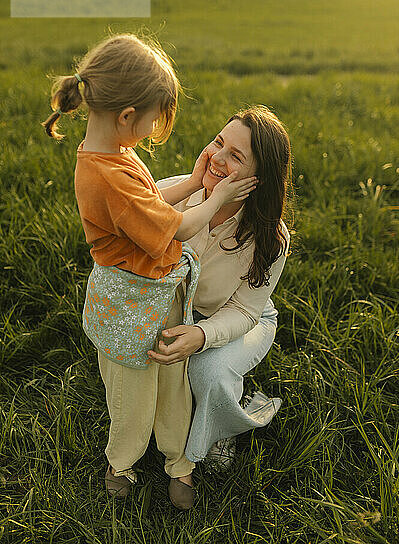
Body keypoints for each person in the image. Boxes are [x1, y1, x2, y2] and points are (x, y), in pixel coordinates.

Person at [40, 32, 259, 510]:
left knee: (174, 389)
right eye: (154, 119)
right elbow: (176, 228)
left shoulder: (113, 153)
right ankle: (121, 463)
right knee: (133, 399)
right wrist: (215, 197)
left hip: (160, 298)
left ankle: (178, 462)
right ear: (126, 117)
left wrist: (196, 182)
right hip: (130, 307)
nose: (155, 129)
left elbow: (152, 204)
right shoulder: (107, 175)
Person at [150, 105, 292, 490]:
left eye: (236, 156)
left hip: (242, 315)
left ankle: (220, 430)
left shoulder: (271, 236)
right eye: (218, 142)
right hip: (178, 308)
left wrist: (202, 336)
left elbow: (246, 308)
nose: (218, 158)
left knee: (207, 373)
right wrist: (195, 186)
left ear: (258, 180)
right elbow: (127, 209)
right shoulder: (183, 190)